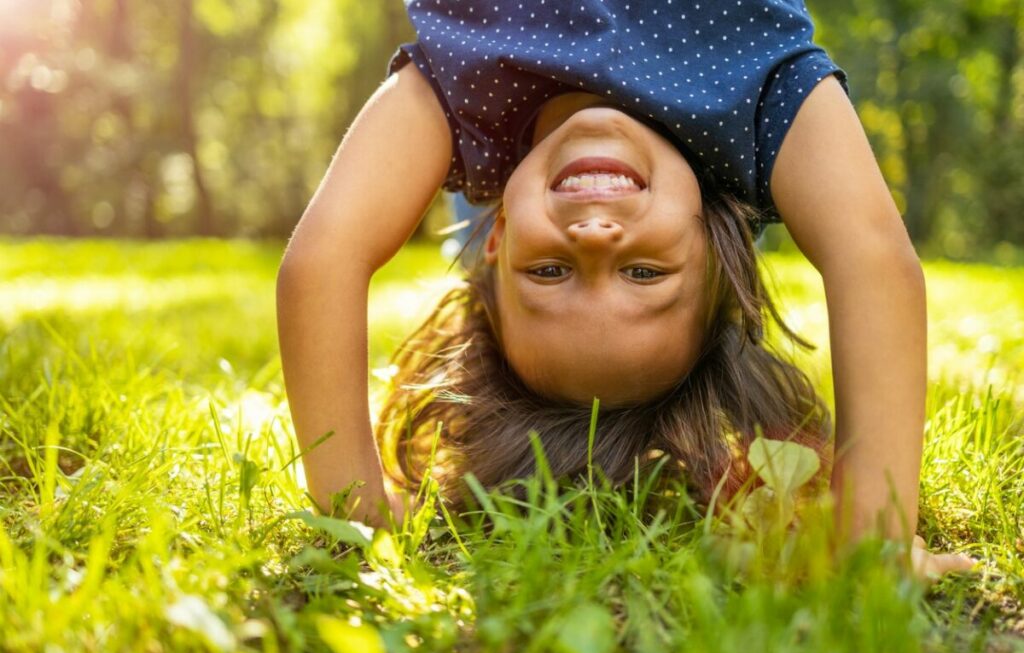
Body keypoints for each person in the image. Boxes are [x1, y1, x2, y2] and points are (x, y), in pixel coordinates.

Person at [276, 1, 973, 577]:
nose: (597, 237)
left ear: (501, 241)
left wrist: (356, 503)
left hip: (510, 169)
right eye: (646, 272)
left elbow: (323, 260)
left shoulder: (464, 102)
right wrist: (875, 536)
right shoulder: (759, 102)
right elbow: (873, 258)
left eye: (548, 271)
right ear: (713, 249)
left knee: (505, 187)